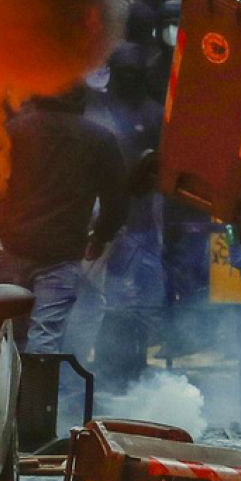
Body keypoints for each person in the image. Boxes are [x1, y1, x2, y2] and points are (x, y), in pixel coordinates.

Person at [0, 86, 127, 354]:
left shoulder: (15, 131)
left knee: (7, 329)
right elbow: (117, 199)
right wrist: (101, 237)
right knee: (46, 333)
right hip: (62, 254)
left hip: (13, 247)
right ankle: (38, 393)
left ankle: (7, 390)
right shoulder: (100, 139)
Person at [86, 42, 166, 391]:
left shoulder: (154, 114)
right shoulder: (100, 111)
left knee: (141, 303)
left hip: (143, 221)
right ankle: (109, 369)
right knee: (111, 300)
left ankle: (132, 368)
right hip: (108, 218)